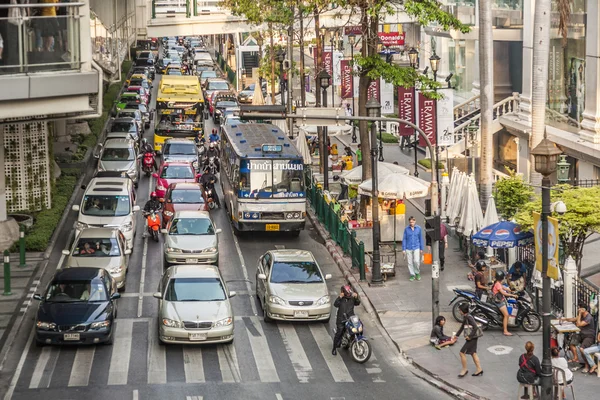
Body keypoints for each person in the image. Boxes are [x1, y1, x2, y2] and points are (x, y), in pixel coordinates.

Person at [453, 302, 483, 377]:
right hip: (473, 337)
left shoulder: (468, 317)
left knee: (461, 353)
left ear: (463, 310)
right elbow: (462, 326)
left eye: (460, 310)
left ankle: (464, 369)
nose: (459, 311)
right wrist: (456, 335)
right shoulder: (466, 316)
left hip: (472, 338)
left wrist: (469, 336)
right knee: (473, 353)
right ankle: (479, 369)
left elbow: (475, 327)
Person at [332, 285, 360, 356]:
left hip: (350, 318)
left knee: (357, 328)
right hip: (341, 319)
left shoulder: (352, 298)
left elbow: (357, 303)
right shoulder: (341, 299)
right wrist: (339, 297)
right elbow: (335, 304)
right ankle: (334, 348)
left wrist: (356, 297)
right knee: (339, 332)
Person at [492, 270, 518, 336]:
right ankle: (505, 331)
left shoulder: (498, 283)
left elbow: (505, 288)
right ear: (502, 278)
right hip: (499, 302)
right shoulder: (498, 284)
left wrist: (511, 290)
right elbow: (503, 293)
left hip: (501, 301)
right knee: (506, 315)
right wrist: (512, 295)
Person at [402, 216, 424, 282]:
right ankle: (412, 274)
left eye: (413, 222)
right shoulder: (406, 229)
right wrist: (403, 249)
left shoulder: (419, 228)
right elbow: (404, 239)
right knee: (410, 262)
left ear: (415, 221)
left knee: (416, 261)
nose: (412, 223)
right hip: (408, 247)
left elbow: (420, 238)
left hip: (416, 247)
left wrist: (421, 248)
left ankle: (417, 272)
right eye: (410, 222)